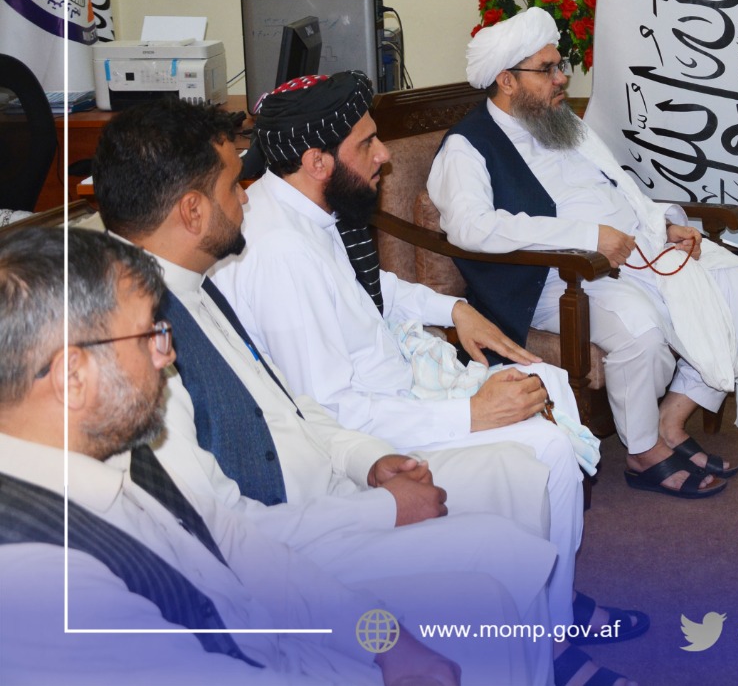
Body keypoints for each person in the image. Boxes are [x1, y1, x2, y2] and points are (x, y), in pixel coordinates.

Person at [91, 96, 645, 684]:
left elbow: (292, 405)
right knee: (495, 569)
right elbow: (222, 534)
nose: (247, 198)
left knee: (522, 475)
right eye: (233, 185)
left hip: (333, 472)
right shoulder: (133, 343)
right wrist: (382, 508)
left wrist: (370, 460)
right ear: (192, 210)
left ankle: (547, 652)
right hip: (293, 532)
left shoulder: (191, 282)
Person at [0, 227, 537, 684]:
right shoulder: (39, 578)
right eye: (150, 336)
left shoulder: (117, 450)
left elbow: (251, 556)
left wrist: (386, 640)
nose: (168, 355)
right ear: (73, 377)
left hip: (284, 643)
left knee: (485, 600)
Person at [208, 71, 588, 633]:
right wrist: (470, 413)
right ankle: (553, 627)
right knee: (548, 448)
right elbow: (329, 410)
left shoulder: (301, 209)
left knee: (544, 389)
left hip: (392, 391)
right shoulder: (281, 253)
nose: (384, 155)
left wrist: (453, 310)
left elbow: (367, 288)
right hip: (366, 430)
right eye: (367, 143)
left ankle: (548, 604)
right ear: (317, 162)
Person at [427, 7, 738, 498]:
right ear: (506, 80)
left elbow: (618, 189)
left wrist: (666, 224)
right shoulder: (468, 147)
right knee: (642, 332)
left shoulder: (559, 122)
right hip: (558, 276)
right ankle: (642, 452)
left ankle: (670, 421)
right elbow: (470, 227)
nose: (562, 78)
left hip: (636, 252)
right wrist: (591, 237)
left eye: (559, 65)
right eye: (547, 69)